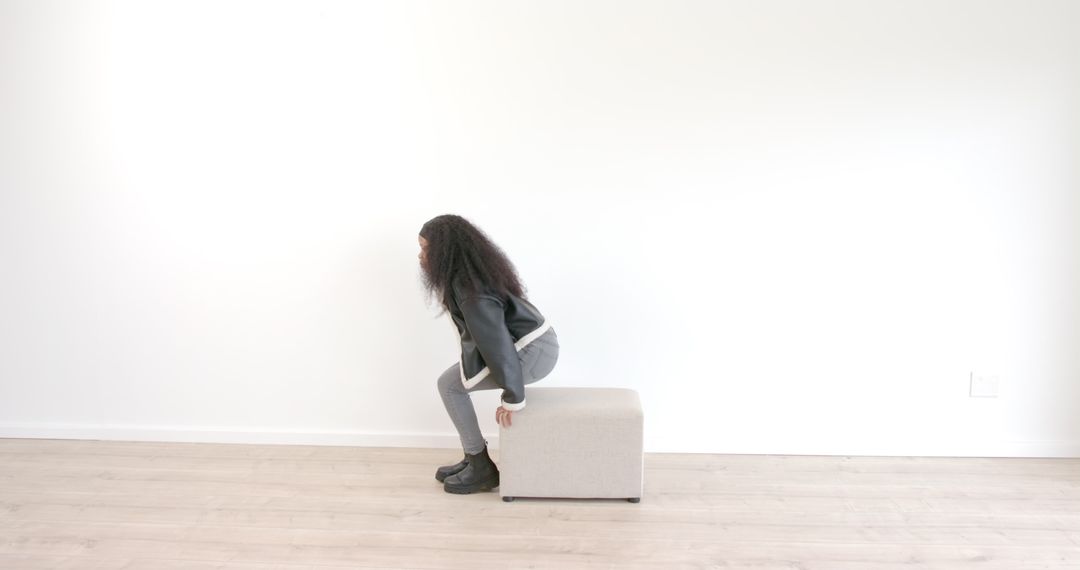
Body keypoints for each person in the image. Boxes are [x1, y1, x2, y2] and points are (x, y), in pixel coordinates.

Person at [418, 214, 560, 494]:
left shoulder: (471, 288)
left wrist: (513, 397)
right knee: (449, 384)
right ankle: (475, 460)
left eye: (425, 248)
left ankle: (480, 467)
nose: (421, 255)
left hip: (533, 351)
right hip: (532, 344)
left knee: (449, 387)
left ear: (444, 251)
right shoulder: (466, 276)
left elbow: (496, 345)